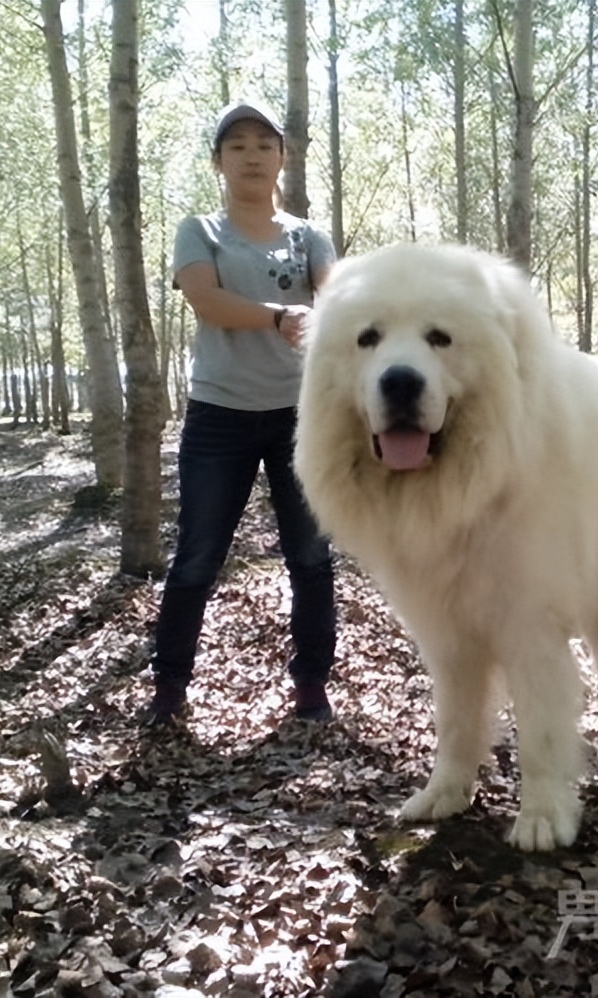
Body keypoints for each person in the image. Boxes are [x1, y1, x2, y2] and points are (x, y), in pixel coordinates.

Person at [146, 100, 337, 727]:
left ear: (282, 157)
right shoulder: (199, 229)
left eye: (264, 144)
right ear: (218, 162)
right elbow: (207, 301)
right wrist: (280, 316)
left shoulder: (309, 237)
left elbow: (337, 301)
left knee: (309, 556)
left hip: (299, 417)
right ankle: (170, 692)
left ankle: (311, 687)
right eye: (237, 146)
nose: (252, 155)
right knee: (197, 556)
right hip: (219, 417)